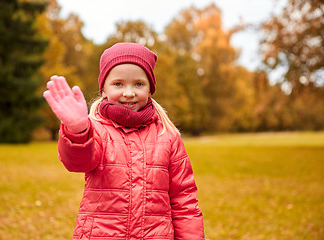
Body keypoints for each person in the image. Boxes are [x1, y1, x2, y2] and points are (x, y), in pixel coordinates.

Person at [43, 42, 205, 240]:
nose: (129, 93)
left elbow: (184, 200)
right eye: (118, 84)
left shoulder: (167, 136)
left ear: (150, 89)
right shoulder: (97, 130)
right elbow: (78, 162)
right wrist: (78, 130)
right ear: (103, 89)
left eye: (138, 84)